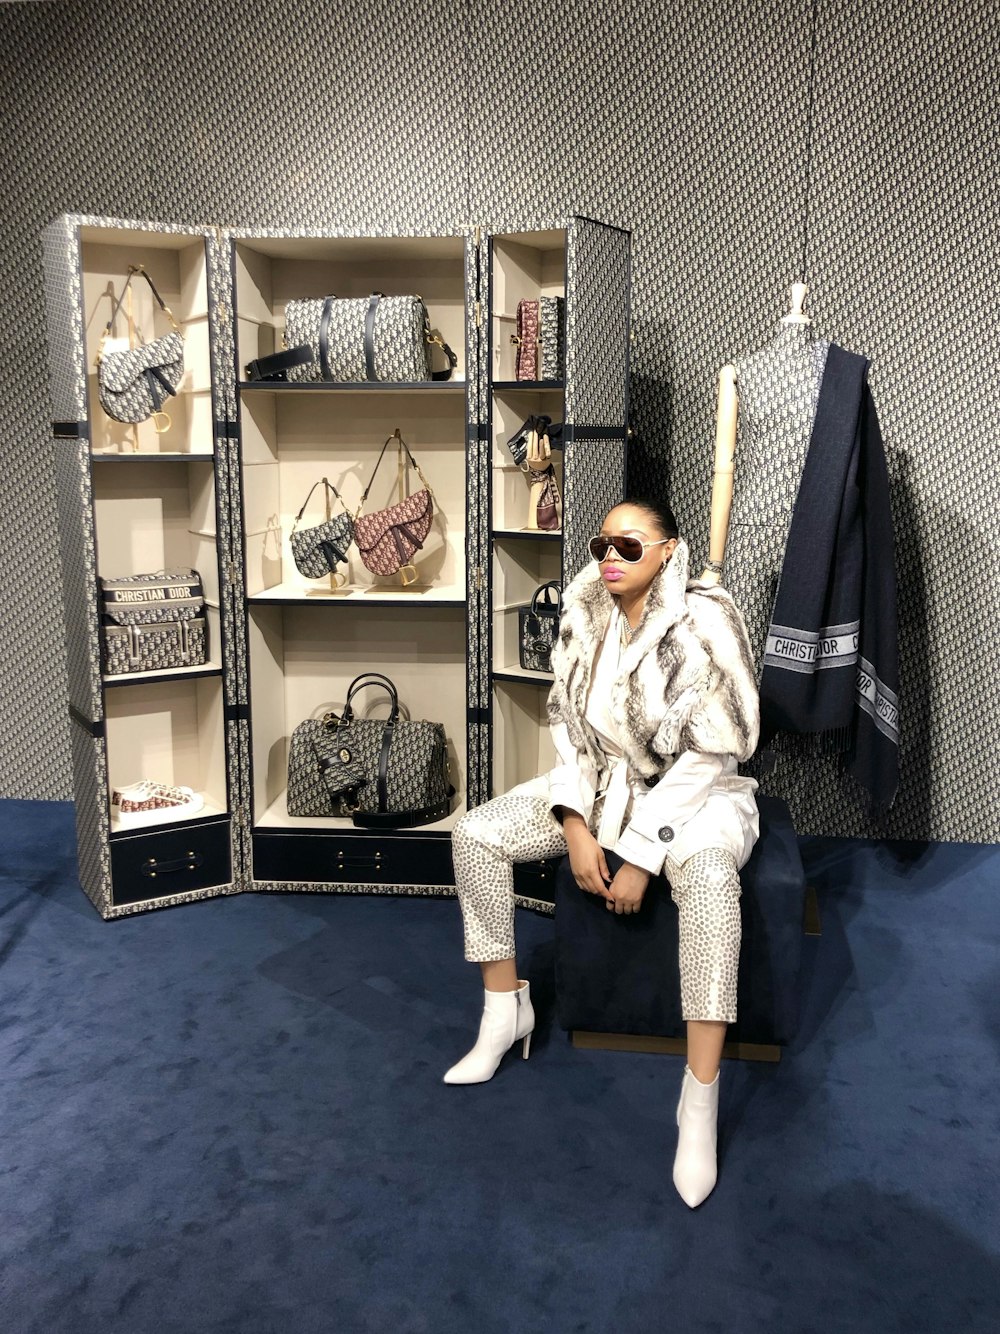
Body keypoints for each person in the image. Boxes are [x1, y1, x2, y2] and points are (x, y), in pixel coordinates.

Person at [445, 499, 761, 1208]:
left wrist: (645, 852)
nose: (610, 557)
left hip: (696, 794)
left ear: (668, 549)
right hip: (604, 788)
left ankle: (699, 1102)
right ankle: (505, 1011)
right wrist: (573, 822)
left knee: (710, 884)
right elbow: (567, 730)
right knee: (475, 834)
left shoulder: (707, 617)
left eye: (628, 543)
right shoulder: (584, 614)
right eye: (601, 544)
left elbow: (718, 748)